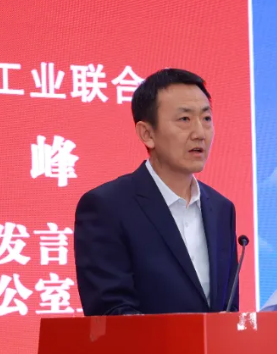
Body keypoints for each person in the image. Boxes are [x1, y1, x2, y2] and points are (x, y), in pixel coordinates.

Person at [73, 68, 240, 316]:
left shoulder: (221, 208)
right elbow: (111, 311)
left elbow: (228, 307)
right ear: (147, 134)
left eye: (206, 118)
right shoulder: (107, 206)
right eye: (185, 119)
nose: (200, 133)